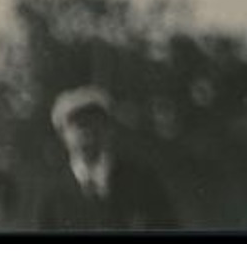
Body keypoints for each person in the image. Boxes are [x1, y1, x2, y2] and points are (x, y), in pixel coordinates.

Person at [34, 86, 179, 232]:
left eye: (94, 122)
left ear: (109, 129)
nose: (87, 132)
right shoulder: (51, 195)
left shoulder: (142, 181)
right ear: (62, 135)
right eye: (78, 125)